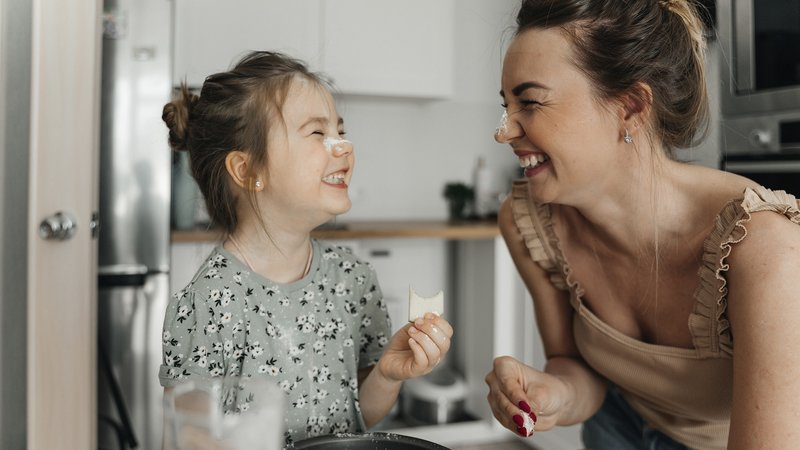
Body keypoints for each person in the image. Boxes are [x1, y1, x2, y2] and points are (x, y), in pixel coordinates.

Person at [485, 1, 800, 449]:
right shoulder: (528, 223)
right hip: (615, 430)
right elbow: (572, 366)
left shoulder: (766, 250)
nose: (503, 131)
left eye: (530, 102)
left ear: (630, 107)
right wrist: (551, 393)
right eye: (507, 105)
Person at [159, 51, 453, 446]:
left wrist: (387, 374)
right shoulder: (208, 303)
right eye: (318, 133)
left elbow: (358, 417)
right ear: (248, 171)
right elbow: (191, 438)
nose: (344, 146)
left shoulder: (352, 279)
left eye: (341, 130)